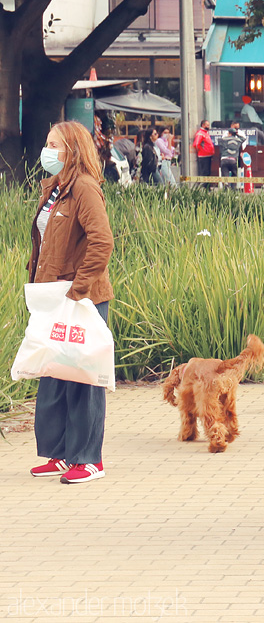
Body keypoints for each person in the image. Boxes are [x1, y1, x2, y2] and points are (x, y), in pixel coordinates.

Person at [28, 120, 114, 485]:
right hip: (51, 298)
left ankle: (88, 459)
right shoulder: (53, 188)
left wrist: (78, 289)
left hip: (81, 299)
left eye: (54, 144)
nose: (47, 151)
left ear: (73, 149)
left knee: (82, 377)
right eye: (47, 143)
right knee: (54, 375)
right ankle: (60, 454)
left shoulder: (84, 188)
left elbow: (102, 242)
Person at [193, 120, 216, 185]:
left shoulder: (206, 133)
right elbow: (196, 144)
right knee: (204, 172)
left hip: (208, 156)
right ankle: (204, 187)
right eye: (207, 125)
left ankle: (207, 187)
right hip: (203, 156)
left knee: (208, 172)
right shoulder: (200, 133)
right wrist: (202, 151)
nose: (208, 126)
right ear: (203, 125)